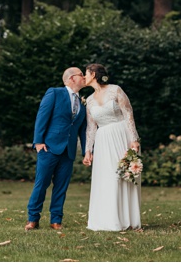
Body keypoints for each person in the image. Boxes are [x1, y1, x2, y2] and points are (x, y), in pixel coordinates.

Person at [81, 63, 143, 231]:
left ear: (94, 74)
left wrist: (134, 139)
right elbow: (91, 128)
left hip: (121, 135)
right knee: (107, 178)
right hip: (103, 140)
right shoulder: (89, 100)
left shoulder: (115, 90)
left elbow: (128, 114)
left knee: (122, 175)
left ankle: (127, 219)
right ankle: (108, 220)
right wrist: (88, 150)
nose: (84, 77)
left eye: (86, 73)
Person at [25, 67, 88, 230]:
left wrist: (87, 151)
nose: (84, 77)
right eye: (81, 75)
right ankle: (33, 219)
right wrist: (38, 142)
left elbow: (82, 130)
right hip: (49, 148)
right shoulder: (54, 93)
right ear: (72, 78)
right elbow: (42, 116)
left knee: (61, 187)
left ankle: (56, 220)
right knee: (41, 184)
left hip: (69, 151)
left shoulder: (83, 102)